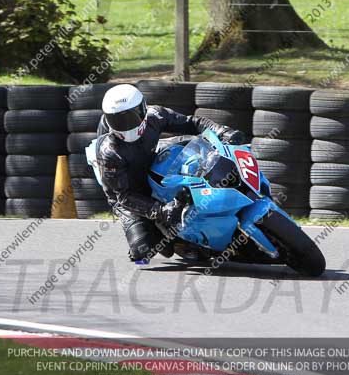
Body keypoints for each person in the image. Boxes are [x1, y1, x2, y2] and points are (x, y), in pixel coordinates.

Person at [94, 84, 245, 261]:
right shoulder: (109, 152)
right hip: (130, 193)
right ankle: (181, 242)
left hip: (154, 167)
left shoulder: (155, 115)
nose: (126, 125)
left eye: (131, 117)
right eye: (118, 121)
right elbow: (123, 197)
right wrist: (161, 211)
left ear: (142, 109)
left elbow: (191, 122)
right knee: (143, 250)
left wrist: (221, 131)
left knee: (194, 161)